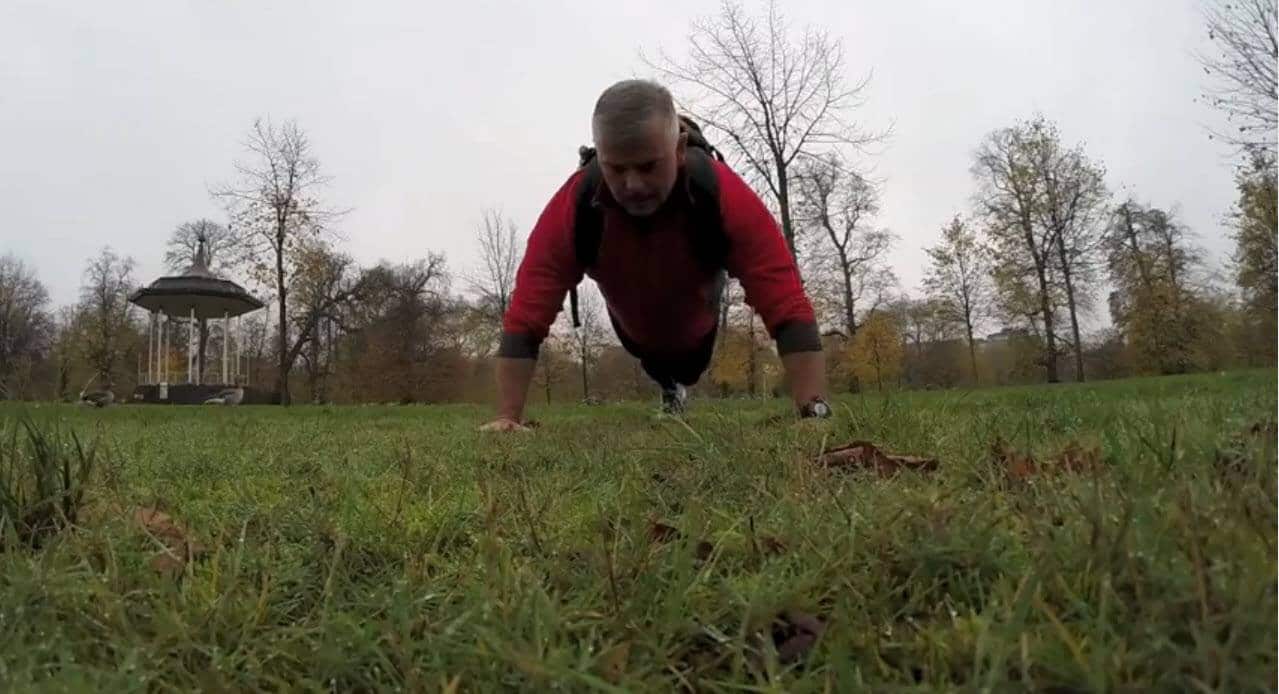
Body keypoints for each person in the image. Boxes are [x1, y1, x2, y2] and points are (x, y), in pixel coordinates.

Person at [480, 79, 830, 432]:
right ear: (599, 157)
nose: (633, 185)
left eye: (648, 167)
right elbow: (526, 316)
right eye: (616, 169)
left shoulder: (721, 195)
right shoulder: (577, 205)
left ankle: (677, 383)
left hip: (697, 323)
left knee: (690, 365)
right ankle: (669, 387)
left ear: (679, 149)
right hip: (634, 328)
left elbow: (785, 301)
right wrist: (508, 418)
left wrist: (812, 410)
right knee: (656, 362)